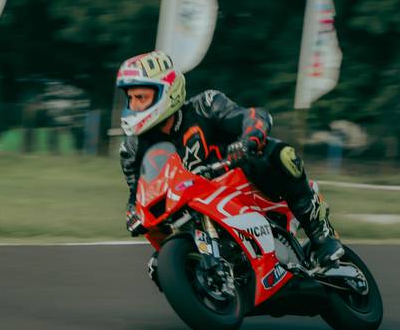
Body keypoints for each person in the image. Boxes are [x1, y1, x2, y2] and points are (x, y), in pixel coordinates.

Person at [116, 49, 344, 267]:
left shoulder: (205, 105)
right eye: (130, 98)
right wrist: (133, 214)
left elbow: (253, 116)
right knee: (157, 265)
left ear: (168, 91)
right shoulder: (132, 148)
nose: (134, 105)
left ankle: (320, 233)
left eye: (141, 97)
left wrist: (247, 140)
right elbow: (137, 195)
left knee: (284, 155)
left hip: (239, 188)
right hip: (190, 212)